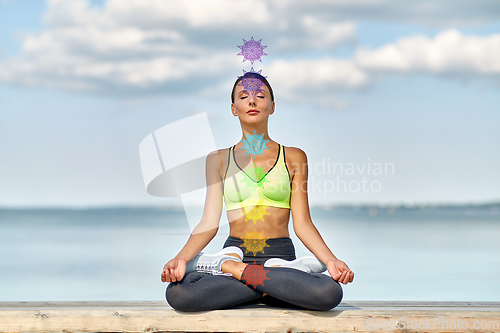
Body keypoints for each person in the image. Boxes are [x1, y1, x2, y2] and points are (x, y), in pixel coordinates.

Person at [161, 72, 354, 312]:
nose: (252, 101)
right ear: (234, 108)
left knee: (329, 292)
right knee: (179, 294)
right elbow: (209, 222)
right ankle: (269, 281)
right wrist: (181, 257)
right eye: (244, 96)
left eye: (260, 95)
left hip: (280, 256)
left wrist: (330, 260)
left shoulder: (294, 157)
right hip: (236, 252)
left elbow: (302, 223)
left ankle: (235, 272)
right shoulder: (218, 160)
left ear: (272, 106)